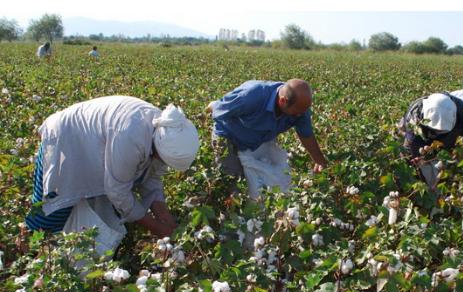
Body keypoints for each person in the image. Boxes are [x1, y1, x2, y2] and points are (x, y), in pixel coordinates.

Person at [24, 96, 200, 239]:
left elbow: (152, 177)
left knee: (87, 209)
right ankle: (31, 250)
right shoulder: (130, 136)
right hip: (65, 142)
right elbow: (117, 191)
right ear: (158, 150)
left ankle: (66, 249)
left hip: (91, 146)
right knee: (52, 209)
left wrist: (163, 214)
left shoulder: (162, 132)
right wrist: (155, 227)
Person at [207, 79, 327, 197]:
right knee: (233, 183)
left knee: (261, 182)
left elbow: (306, 134)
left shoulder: (300, 109)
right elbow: (218, 110)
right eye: (296, 113)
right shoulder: (251, 96)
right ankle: (229, 210)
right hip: (228, 137)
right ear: (283, 101)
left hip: (258, 141)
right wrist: (211, 107)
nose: (299, 115)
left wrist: (319, 161)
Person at [397, 92, 463, 189]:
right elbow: (412, 146)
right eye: (436, 130)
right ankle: (408, 186)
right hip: (418, 132)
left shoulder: (461, 110)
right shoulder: (414, 115)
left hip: (448, 135)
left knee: (446, 155)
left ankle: (442, 180)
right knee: (409, 158)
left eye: (441, 131)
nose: (438, 132)